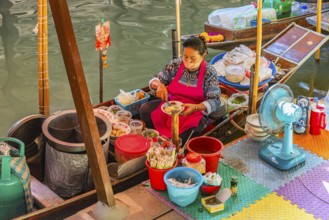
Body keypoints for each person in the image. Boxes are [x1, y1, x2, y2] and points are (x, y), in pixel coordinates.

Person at [140, 36, 221, 145]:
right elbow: (155, 79)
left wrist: (196, 107)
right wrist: (159, 85)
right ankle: (155, 139)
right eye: (185, 57)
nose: (188, 61)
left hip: (193, 112)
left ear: (203, 55)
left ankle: (173, 147)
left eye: (193, 58)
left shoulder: (210, 72)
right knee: (145, 109)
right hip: (170, 105)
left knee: (192, 130)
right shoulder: (176, 64)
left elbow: (215, 100)